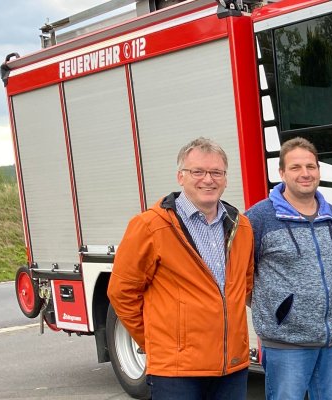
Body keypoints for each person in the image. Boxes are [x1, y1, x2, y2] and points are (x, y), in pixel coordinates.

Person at [107, 137, 254, 399]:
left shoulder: (241, 227)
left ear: (225, 179)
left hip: (231, 366)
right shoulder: (150, 227)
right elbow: (122, 292)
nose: (208, 179)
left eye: (216, 172)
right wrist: (160, 343)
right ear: (180, 176)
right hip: (177, 373)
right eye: (197, 171)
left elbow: (245, 285)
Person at [247, 137, 332, 400]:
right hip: (286, 344)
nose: (305, 174)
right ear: (281, 173)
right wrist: (275, 309)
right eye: (295, 168)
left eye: (311, 166)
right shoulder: (259, 218)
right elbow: (239, 274)